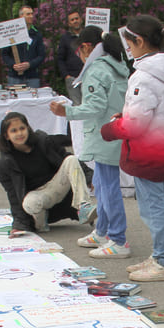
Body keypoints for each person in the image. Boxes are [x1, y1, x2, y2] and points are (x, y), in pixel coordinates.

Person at [102, 15, 164, 282]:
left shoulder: (145, 76)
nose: (128, 48)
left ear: (140, 41)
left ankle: (163, 261)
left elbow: (135, 124)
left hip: (148, 151)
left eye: (129, 43)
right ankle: (160, 256)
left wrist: (110, 128)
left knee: (153, 207)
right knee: (162, 203)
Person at [50, 27, 130, 258]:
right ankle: (104, 230)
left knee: (108, 187)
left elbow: (95, 106)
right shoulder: (116, 65)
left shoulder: (96, 70)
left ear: (85, 48)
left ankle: (118, 239)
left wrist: (67, 111)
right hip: (113, 131)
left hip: (104, 133)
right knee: (102, 183)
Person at [0, 112, 95, 236]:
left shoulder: (42, 141)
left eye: (22, 128)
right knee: (29, 203)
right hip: (37, 198)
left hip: (57, 186)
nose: (19, 133)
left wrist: (90, 177)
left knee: (71, 159)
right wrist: (18, 225)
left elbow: (65, 158)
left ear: (28, 128)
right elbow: (13, 196)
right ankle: (40, 225)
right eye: (14, 131)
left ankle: (83, 206)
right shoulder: (5, 163)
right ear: (6, 136)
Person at [2, 5, 45, 88]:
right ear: (21, 16)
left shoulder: (36, 34)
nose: (31, 16)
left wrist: (29, 64)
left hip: (32, 77)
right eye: (28, 14)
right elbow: (5, 54)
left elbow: (41, 55)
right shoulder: (12, 32)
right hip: (15, 77)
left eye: (32, 14)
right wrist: (13, 65)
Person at [55, 10, 84, 101]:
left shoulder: (87, 35)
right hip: (72, 77)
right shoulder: (65, 38)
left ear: (81, 20)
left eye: (76, 18)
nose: (75, 21)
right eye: (72, 20)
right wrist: (66, 75)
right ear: (69, 24)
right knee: (76, 105)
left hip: (89, 76)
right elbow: (60, 58)